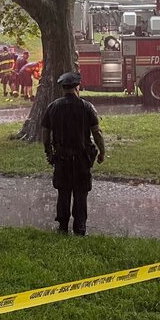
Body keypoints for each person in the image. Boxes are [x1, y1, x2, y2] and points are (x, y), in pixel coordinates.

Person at [41, 72, 106, 236]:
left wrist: (49, 152)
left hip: (62, 159)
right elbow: (97, 132)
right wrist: (102, 152)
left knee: (63, 192)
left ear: (63, 88)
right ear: (77, 87)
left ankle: (62, 227)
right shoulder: (87, 107)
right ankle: (80, 227)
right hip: (81, 159)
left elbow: (45, 133)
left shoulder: (53, 107)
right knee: (80, 194)